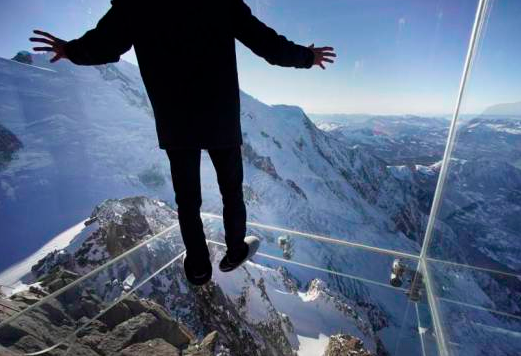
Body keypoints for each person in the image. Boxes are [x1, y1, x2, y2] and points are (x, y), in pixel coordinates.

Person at [30, 0, 335, 286]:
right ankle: (234, 251)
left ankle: (199, 266)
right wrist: (306, 57)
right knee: (231, 189)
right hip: (220, 115)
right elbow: (266, 43)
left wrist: (70, 50)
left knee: (188, 199)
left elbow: (104, 44)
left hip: (176, 119)